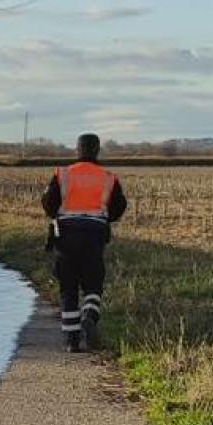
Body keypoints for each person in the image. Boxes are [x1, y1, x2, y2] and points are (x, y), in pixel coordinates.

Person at [42, 133, 127, 352]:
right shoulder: (108, 177)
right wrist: (103, 218)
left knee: (68, 288)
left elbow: (49, 203)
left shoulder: (63, 174)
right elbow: (119, 206)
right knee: (93, 283)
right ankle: (90, 314)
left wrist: (59, 216)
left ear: (77, 149)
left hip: (67, 236)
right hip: (94, 235)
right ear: (97, 150)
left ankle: (72, 341)